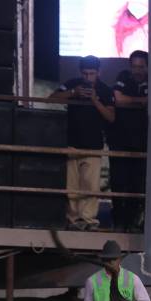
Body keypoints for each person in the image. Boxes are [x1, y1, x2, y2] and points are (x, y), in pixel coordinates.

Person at [50, 55, 116, 231]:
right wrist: (73, 93)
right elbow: (51, 98)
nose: (88, 77)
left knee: (90, 186)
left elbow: (111, 117)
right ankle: (72, 220)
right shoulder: (73, 84)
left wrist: (95, 99)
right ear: (80, 72)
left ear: (98, 72)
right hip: (71, 142)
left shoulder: (104, 90)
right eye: (85, 73)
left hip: (93, 145)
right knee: (71, 186)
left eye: (92, 74)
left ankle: (88, 220)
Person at [109, 50, 148, 232]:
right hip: (120, 140)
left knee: (137, 185)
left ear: (147, 67)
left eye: (141, 67)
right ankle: (118, 223)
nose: (137, 71)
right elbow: (118, 100)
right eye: (134, 66)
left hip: (143, 143)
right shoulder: (123, 76)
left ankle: (133, 224)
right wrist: (141, 101)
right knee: (118, 183)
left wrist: (131, 101)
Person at [82, 240, 151, 301]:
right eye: (106, 259)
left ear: (120, 260)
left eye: (113, 259)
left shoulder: (133, 278)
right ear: (102, 260)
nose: (110, 262)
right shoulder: (92, 281)